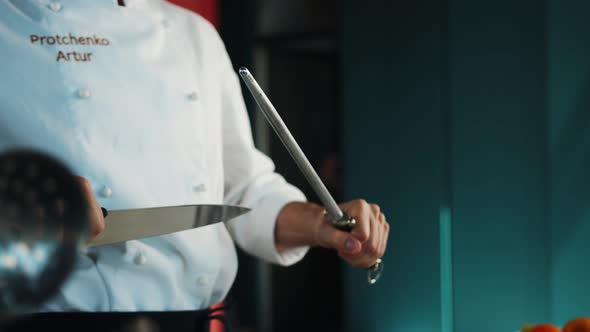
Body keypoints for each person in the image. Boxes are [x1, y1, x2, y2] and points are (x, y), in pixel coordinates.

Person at [0, 0, 389, 330]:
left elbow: (245, 188)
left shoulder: (193, 34)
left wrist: (323, 224)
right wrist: (28, 200)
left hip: (200, 319)